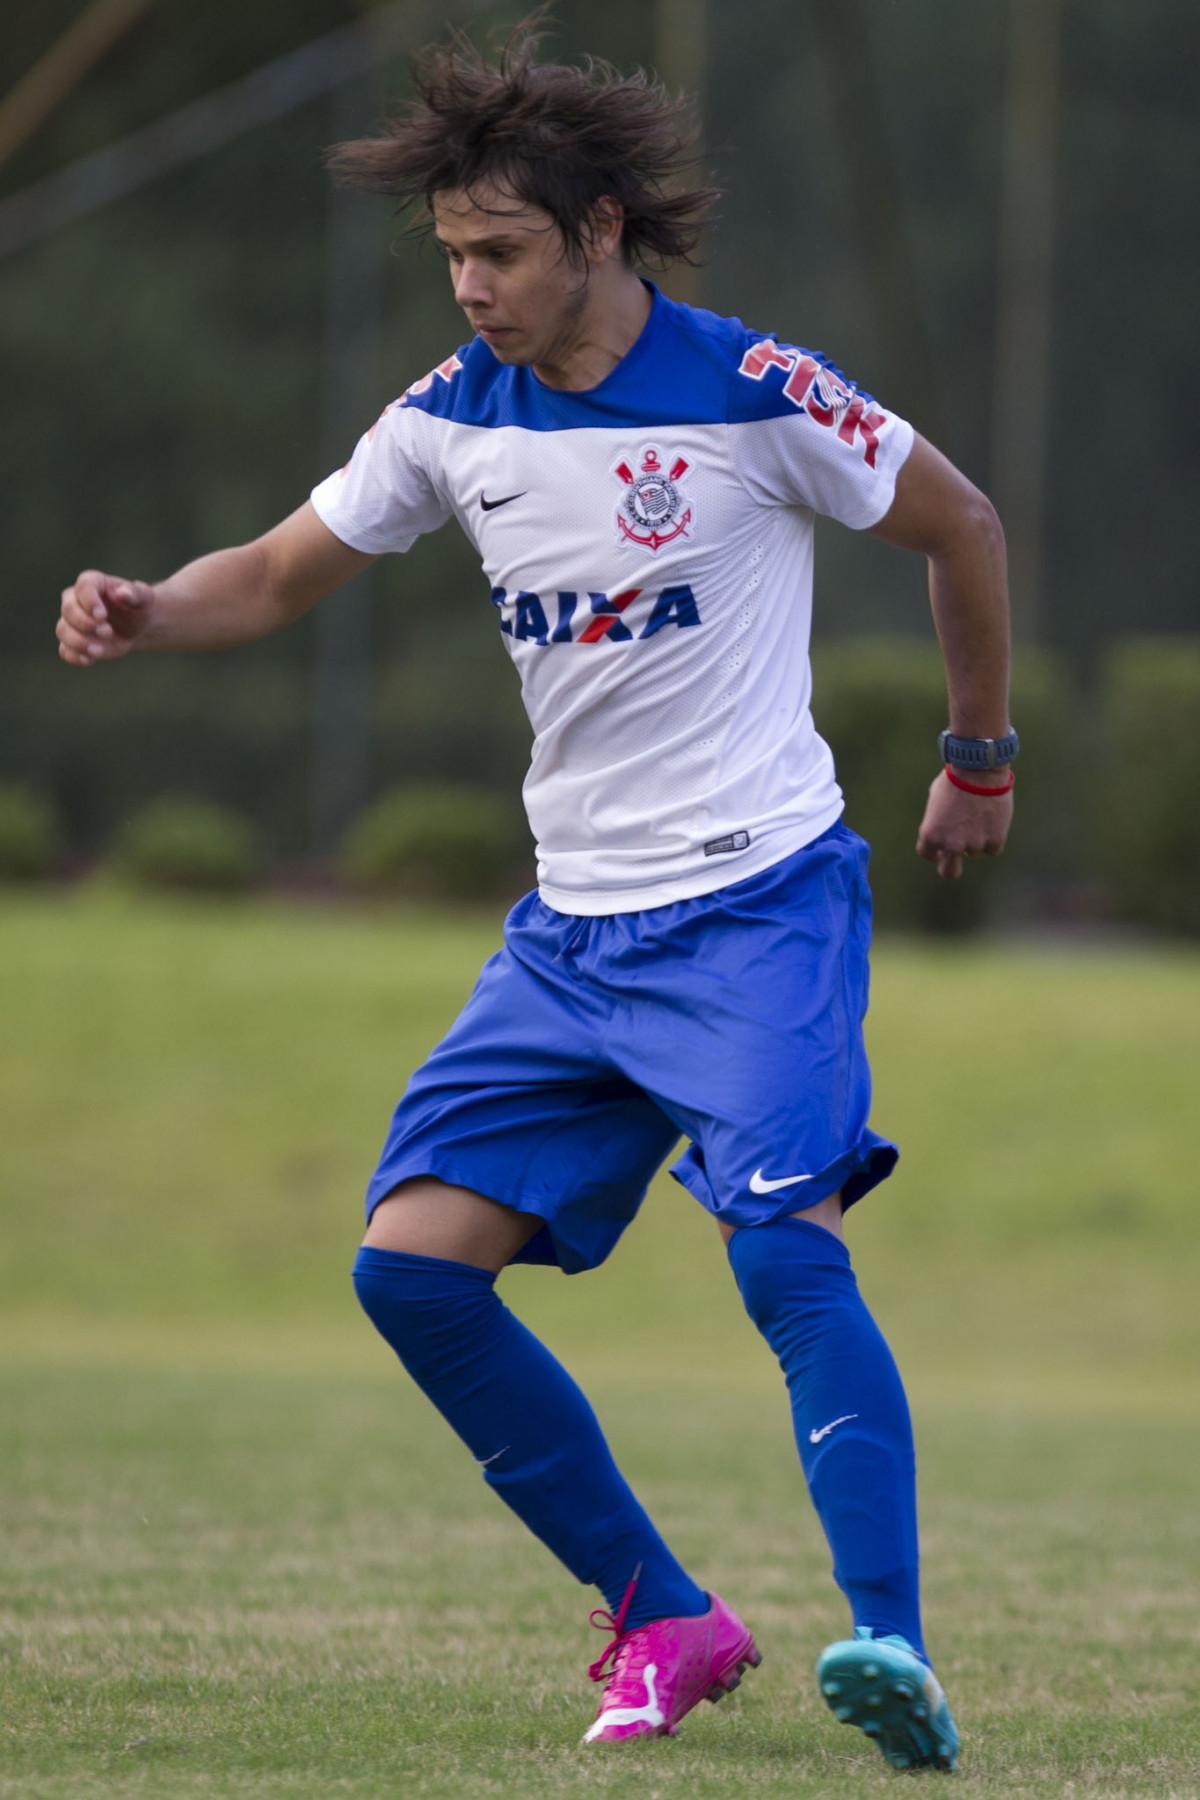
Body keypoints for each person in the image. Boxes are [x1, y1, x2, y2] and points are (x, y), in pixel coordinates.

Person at [56, 22, 1016, 1773]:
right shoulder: (448, 416)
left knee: (784, 1257)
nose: (473, 287)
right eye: (451, 257)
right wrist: (149, 605)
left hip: (758, 911)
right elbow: (273, 573)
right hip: (574, 941)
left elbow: (961, 523)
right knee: (409, 1275)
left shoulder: (755, 392)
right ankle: (666, 1617)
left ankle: (893, 1645)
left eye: (497, 251)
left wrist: (980, 754)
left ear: (597, 233)